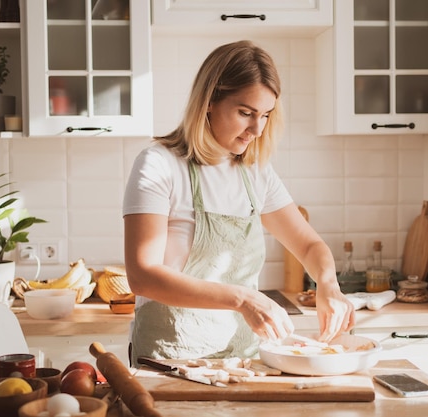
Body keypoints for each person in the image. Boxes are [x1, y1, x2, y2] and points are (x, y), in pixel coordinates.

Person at [123, 40, 355, 364]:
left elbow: (308, 246)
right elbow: (143, 275)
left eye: (265, 115)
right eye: (245, 113)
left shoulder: (256, 172)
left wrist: (328, 284)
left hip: (243, 361)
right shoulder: (159, 165)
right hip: (170, 361)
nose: (256, 129)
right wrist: (243, 299)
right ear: (209, 102)